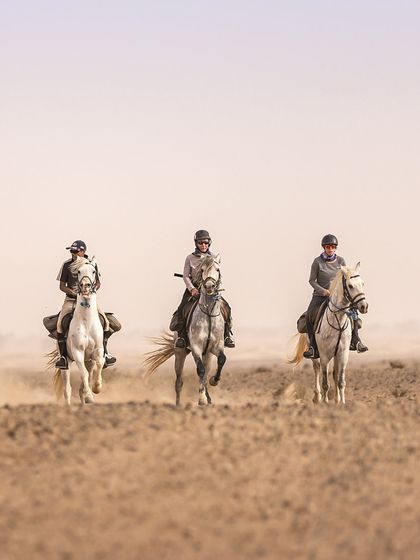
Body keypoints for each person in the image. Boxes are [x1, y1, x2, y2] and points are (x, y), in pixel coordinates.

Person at [303, 234, 368, 359]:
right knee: (309, 315)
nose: (330, 249)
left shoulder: (341, 261)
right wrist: (323, 291)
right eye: (328, 247)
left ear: (335, 248)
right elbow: (311, 281)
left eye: (333, 247)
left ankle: (356, 341)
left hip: (337, 296)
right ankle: (312, 347)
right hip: (320, 296)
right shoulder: (317, 262)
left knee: (354, 313)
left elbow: (346, 278)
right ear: (324, 248)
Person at [55, 240, 117, 369]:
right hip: (71, 300)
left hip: (89, 299)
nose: (73, 253)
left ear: (83, 251)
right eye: (71, 251)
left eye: (76, 251)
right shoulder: (66, 265)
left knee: (105, 321)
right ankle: (62, 357)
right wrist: (72, 293)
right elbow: (61, 286)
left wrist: (92, 290)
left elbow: (98, 282)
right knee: (60, 323)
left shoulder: (91, 264)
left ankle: (105, 353)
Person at [171, 229, 235, 349]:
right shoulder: (190, 258)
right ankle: (182, 337)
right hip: (194, 289)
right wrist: (192, 289)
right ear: (196, 243)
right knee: (181, 309)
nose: (203, 245)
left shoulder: (214, 257)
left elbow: (217, 275)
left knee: (226, 307)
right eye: (200, 243)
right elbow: (185, 276)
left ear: (209, 243)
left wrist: (215, 288)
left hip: (211, 290)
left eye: (205, 243)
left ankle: (227, 335)